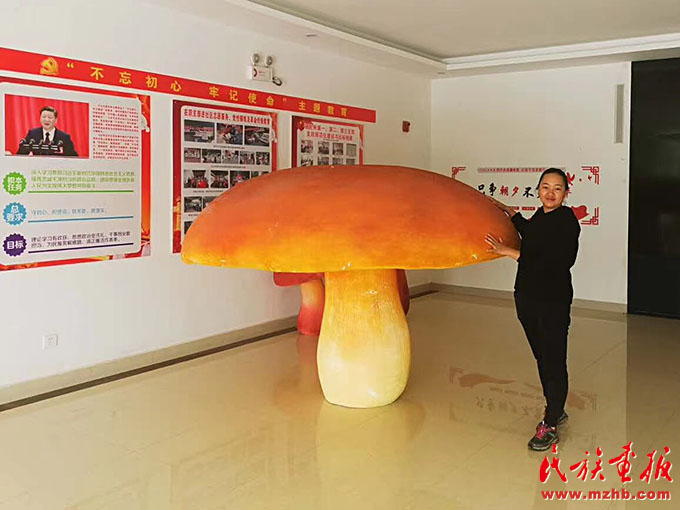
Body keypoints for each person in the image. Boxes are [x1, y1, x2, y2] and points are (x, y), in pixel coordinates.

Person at [485, 168, 580, 451]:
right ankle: (556, 407)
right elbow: (532, 234)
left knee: (553, 359)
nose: (550, 193)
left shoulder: (567, 222)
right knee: (542, 356)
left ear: (566, 193)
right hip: (526, 297)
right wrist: (511, 213)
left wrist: (510, 252)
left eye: (557, 188)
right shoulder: (540, 216)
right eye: (545, 187)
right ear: (538, 189)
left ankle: (550, 423)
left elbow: (558, 262)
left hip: (552, 301)